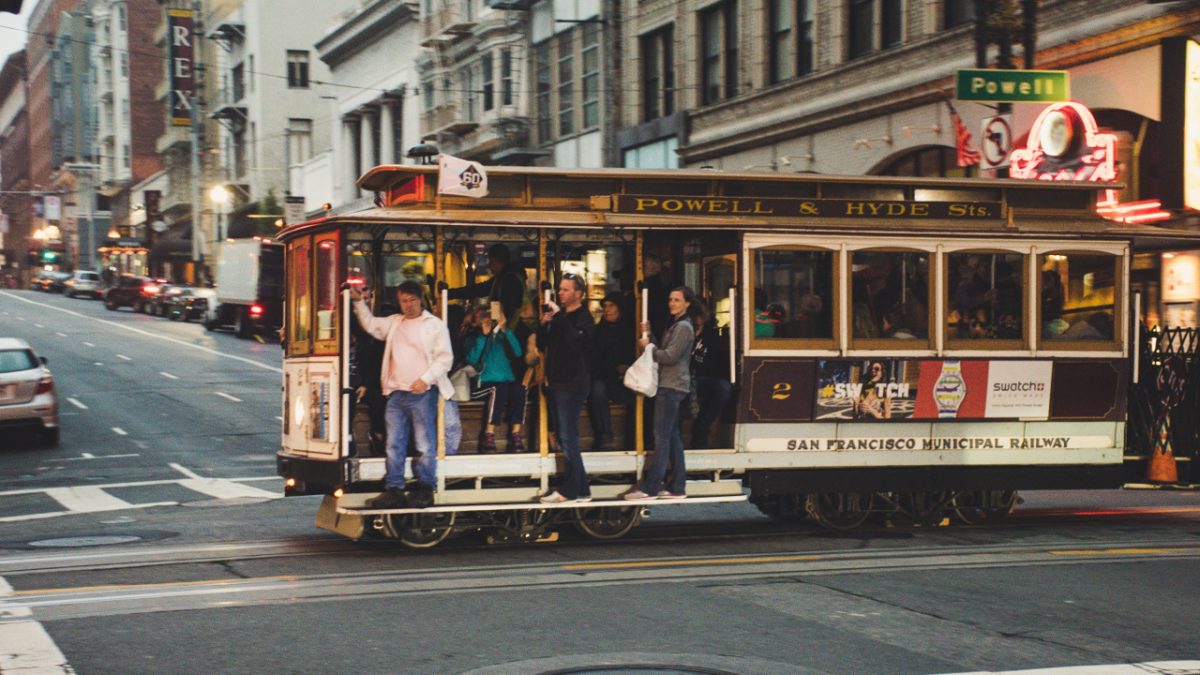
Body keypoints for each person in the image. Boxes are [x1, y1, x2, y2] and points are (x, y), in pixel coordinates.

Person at [350, 280, 454, 509]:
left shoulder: (434, 325)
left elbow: (445, 358)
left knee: (424, 443)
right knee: (394, 443)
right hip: (396, 393)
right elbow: (371, 325)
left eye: (412, 300)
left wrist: (424, 380)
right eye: (403, 301)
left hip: (422, 392)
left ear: (420, 300)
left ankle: (427, 487)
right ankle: (394, 488)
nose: (408, 305)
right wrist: (358, 302)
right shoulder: (395, 322)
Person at [625, 286, 700, 501]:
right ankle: (677, 485)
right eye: (670, 299)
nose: (672, 303)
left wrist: (649, 346)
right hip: (671, 385)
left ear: (687, 303)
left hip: (671, 386)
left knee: (662, 437)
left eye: (677, 300)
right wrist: (651, 335)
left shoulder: (684, 327)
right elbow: (664, 350)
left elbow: (669, 356)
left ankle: (650, 487)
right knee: (672, 436)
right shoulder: (677, 325)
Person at [537, 272, 596, 504]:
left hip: (573, 383)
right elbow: (543, 345)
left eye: (565, 289)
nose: (560, 293)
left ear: (578, 293)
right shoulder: (559, 317)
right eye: (559, 289)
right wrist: (543, 326)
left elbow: (577, 345)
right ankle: (582, 490)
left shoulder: (584, 317)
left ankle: (571, 490)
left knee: (568, 436)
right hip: (558, 382)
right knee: (566, 436)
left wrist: (559, 317)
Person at [465, 306, 526, 453]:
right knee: (498, 389)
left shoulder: (501, 336)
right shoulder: (472, 337)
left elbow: (518, 352)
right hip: (482, 384)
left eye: (488, 315)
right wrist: (484, 336)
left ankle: (516, 434)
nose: (486, 318)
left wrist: (505, 329)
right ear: (474, 321)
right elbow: (472, 359)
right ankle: (489, 434)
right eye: (481, 315)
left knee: (519, 389)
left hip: (505, 381)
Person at [588, 292, 635, 450]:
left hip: (627, 380)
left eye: (611, 306)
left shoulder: (630, 331)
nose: (607, 310)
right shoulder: (598, 331)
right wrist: (615, 368)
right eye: (605, 306)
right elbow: (594, 361)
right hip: (605, 379)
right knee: (597, 389)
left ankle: (633, 442)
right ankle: (604, 436)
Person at [448, 243, 527, 324]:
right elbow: (478, 290)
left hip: (514, 329)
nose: (489, 266)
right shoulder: (506, 278)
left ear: (494, 261)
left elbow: (478, 290)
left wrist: (449, 294)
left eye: (490, 261)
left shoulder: (508, 280)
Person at [690, 302, 731, 449]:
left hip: (703, 379)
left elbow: (715, 363)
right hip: (683, 378)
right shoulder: (681, 331)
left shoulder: (711, 336)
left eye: (702, 316)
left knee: (723, 388)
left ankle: (701, 429)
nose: (698, 320)